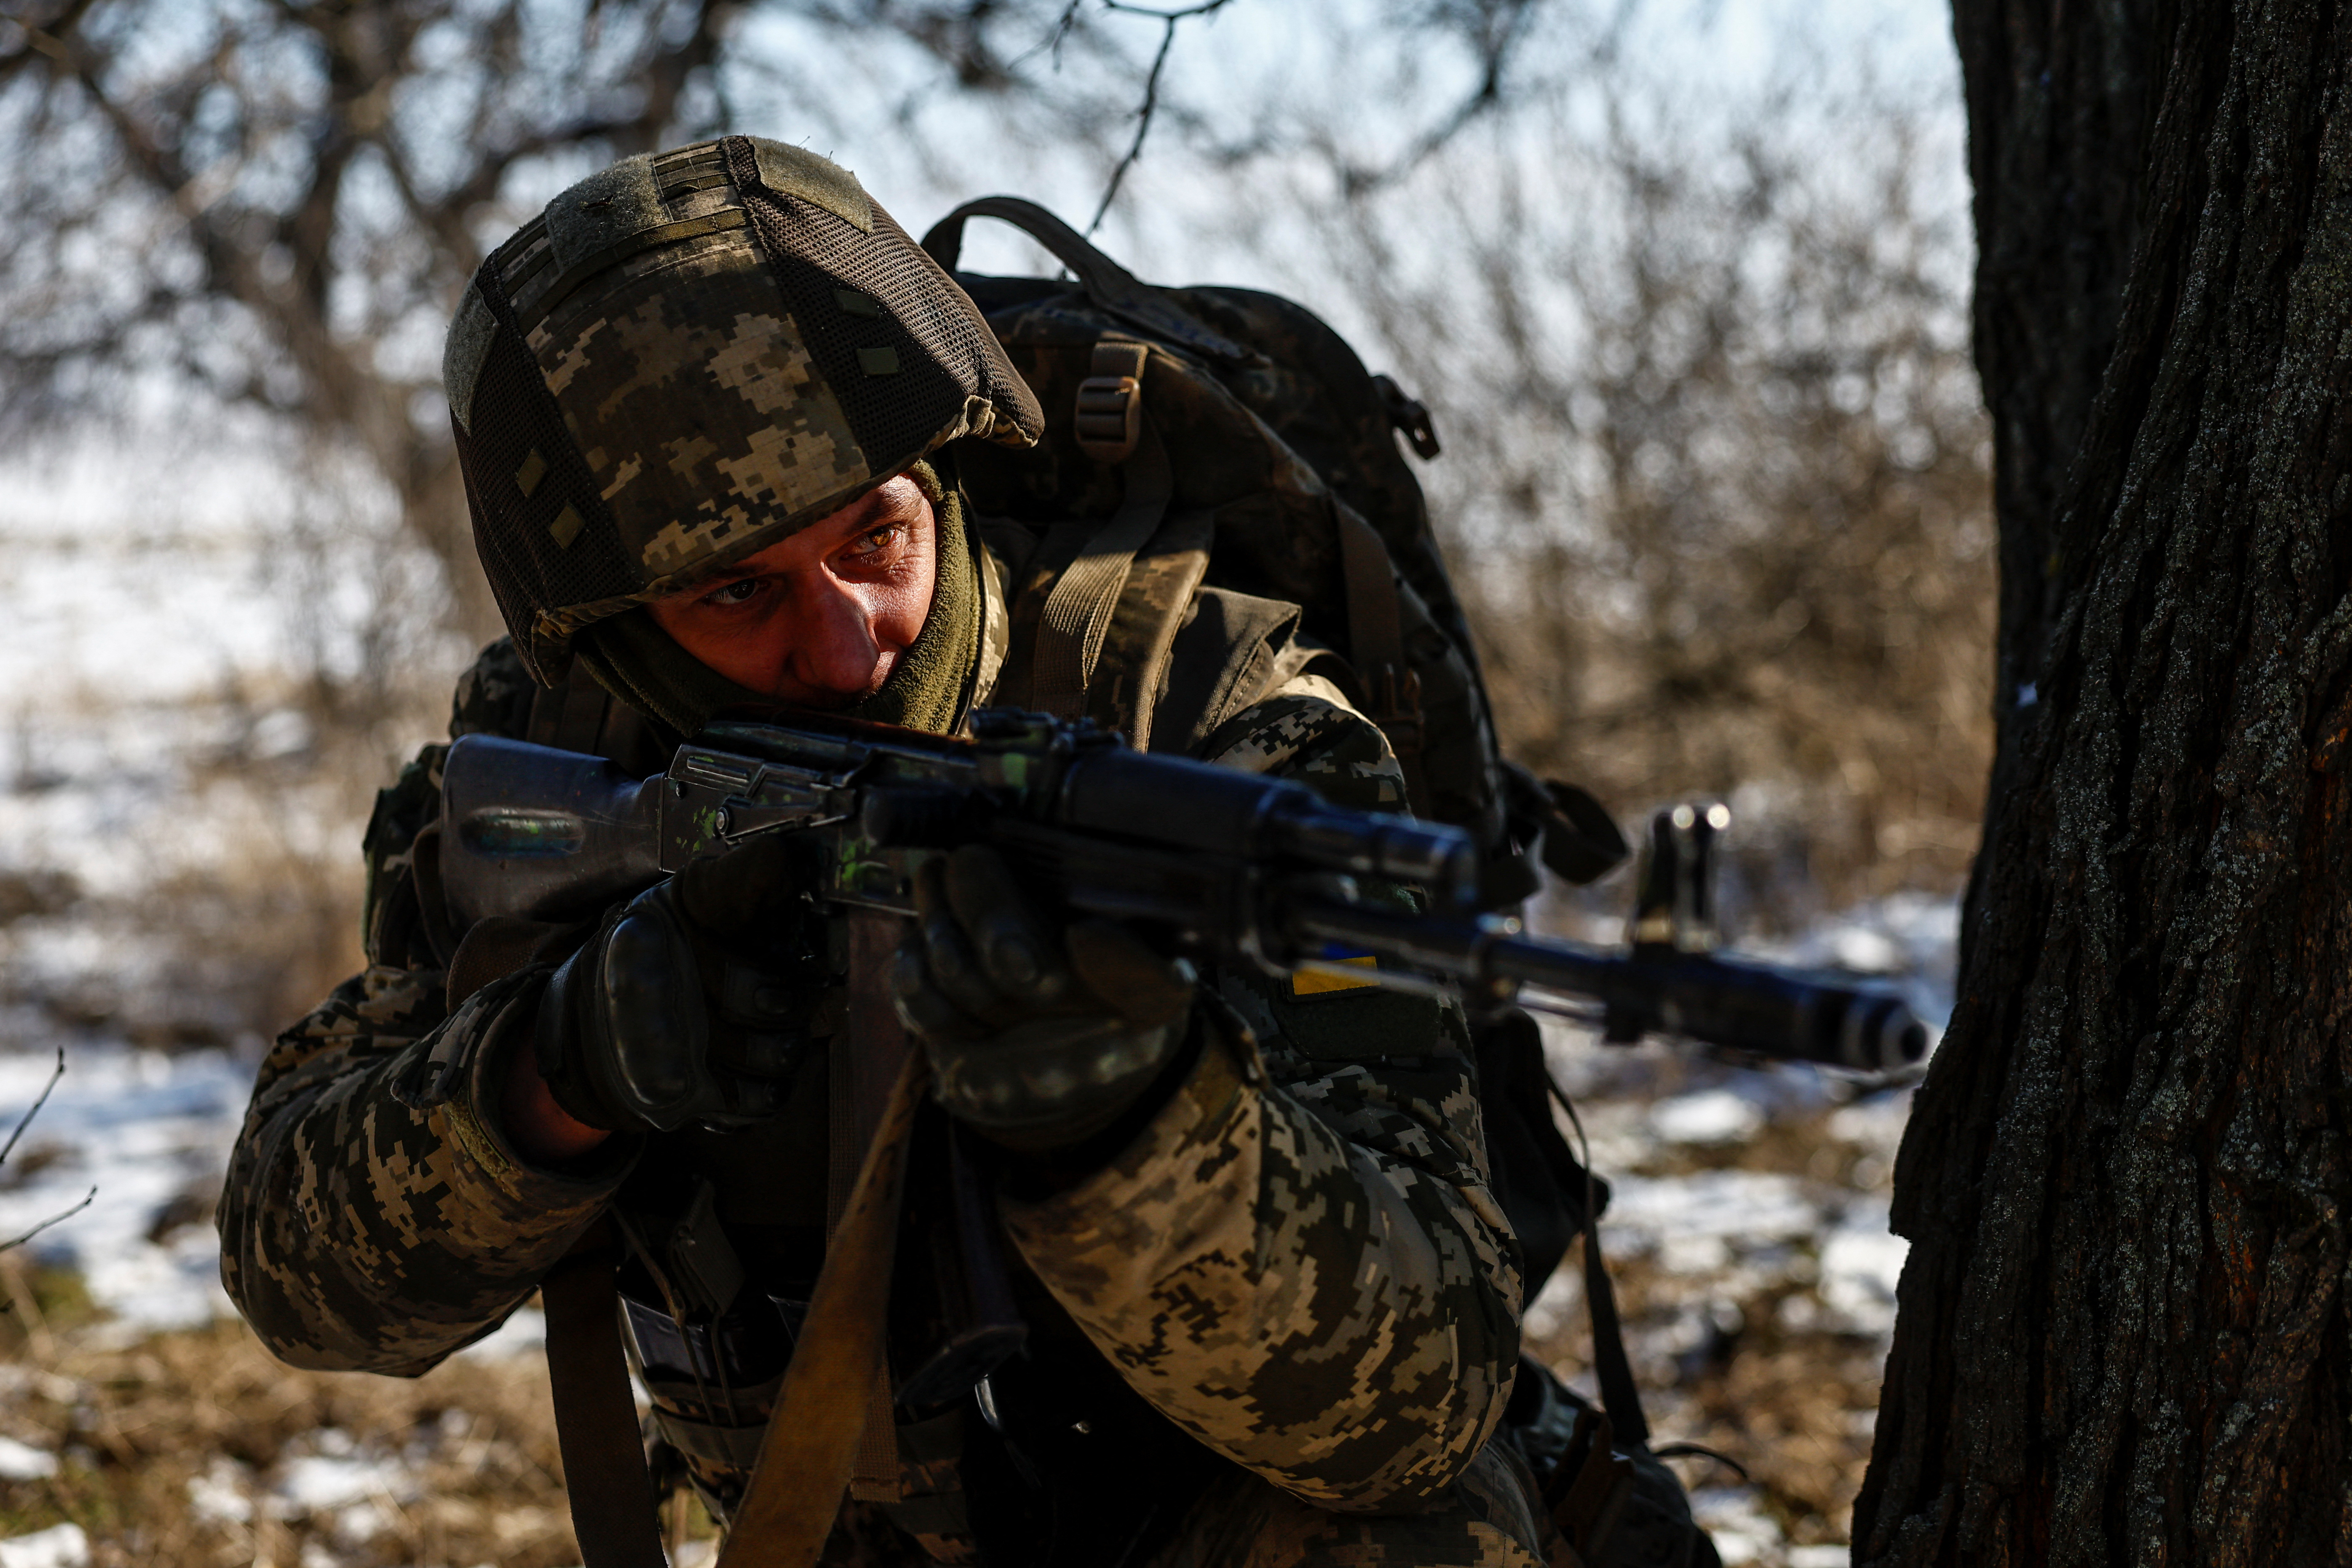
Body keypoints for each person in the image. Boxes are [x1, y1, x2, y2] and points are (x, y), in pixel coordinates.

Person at [217, 135, 1559, 1567]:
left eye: (879, 534)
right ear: (612, 627)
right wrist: (557, 1072)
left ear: (949, 473)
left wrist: (1131, 1129)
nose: (849, 638)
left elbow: (1429, 1399)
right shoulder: (576, 749)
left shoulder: (1233, 741)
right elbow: (300, 1280)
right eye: (740, 592)